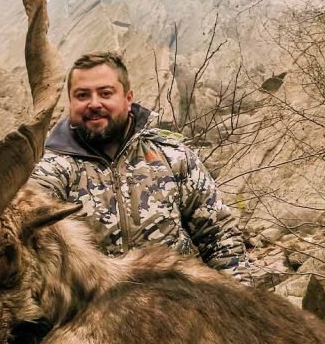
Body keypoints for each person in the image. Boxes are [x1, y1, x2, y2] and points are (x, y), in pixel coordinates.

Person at [31, 51, 253, 285]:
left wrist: (240, 304)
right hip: (95, 315)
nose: (94, 103)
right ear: (70, 103)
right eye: (82, 95)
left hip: (180, 306)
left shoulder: (173, 157)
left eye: (105, 93)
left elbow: (220, 237)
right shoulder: (48, 173)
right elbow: (34, 259)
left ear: (128, 98)